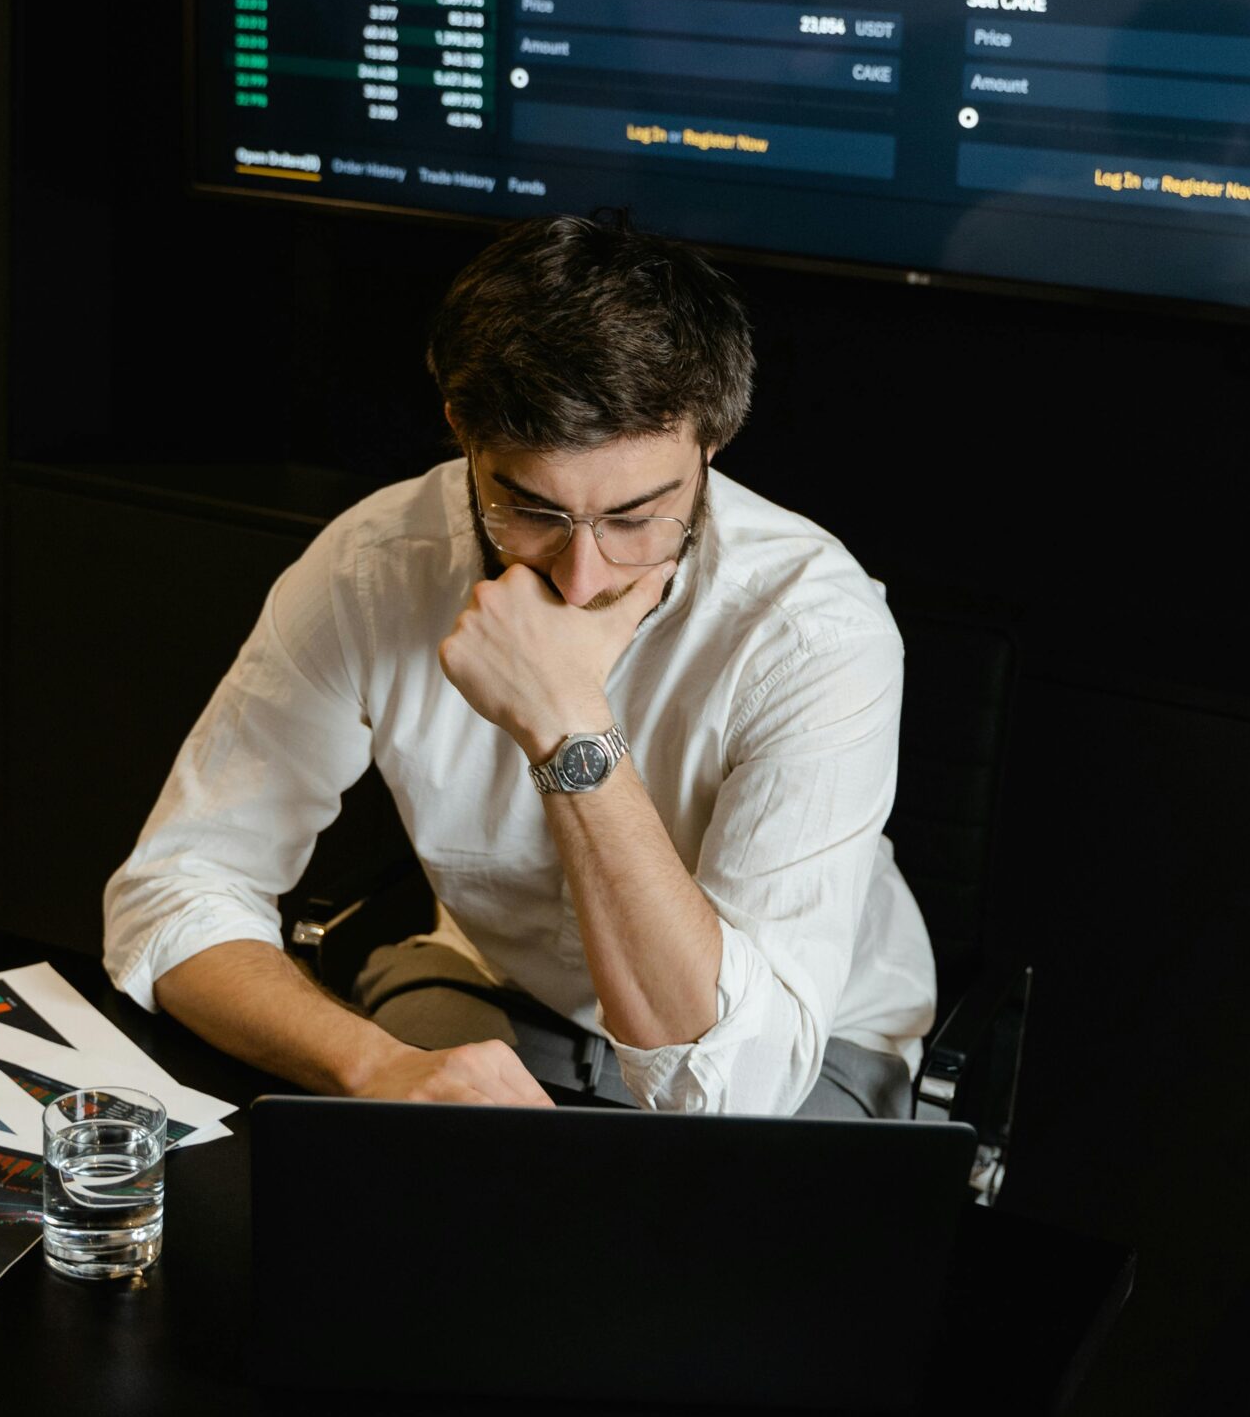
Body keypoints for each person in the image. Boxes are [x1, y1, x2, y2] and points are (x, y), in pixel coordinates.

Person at [103, 212, 935, 1116]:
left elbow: (733, 1088)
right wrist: (370, 1066)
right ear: (463, 432)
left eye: (634, 517)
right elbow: (172, 893)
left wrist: (566, 724)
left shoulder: (814, 629)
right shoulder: (372, 565)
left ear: (711, 443)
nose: (581, 578)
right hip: (503, 995)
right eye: (530, 510)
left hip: (799, 1047)